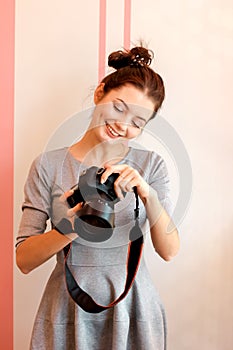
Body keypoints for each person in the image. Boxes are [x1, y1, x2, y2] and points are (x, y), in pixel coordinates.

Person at [16, 45, 180, 350]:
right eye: (118, 107)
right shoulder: (48, 165)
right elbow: (24, 260)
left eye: (137, 122)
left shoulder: (151, 166)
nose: (123, 125)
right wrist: (71, 225)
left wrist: (147, 193)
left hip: (134, 310)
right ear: (99, 93)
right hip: (67, 311)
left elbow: (169, 251)